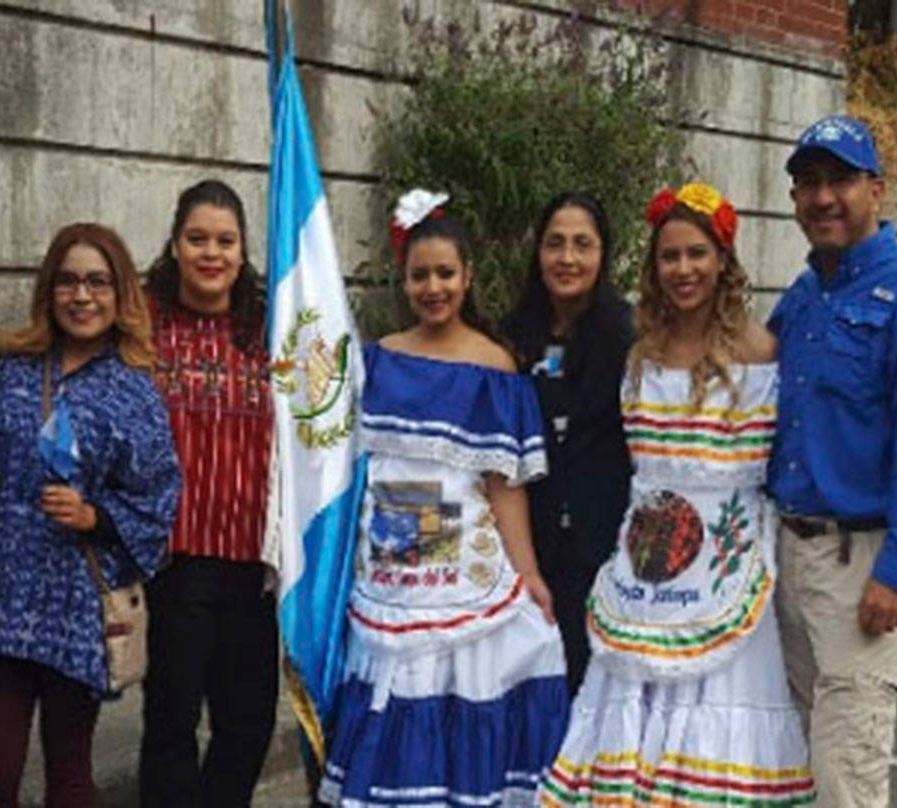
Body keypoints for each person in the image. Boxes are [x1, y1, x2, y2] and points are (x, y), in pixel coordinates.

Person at [539, 182, 816, 805]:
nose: (683, 269)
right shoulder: (638, 355)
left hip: (726, 565)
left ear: (723, 260)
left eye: (697, 254)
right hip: (643, 569)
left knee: (713, 733)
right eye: (670, 257)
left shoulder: (761, 350)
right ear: (653, 266)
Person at [318, 195, 567, 807]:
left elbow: (503, 485)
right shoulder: (375, 360)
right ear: (403, 279)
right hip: (389, 575)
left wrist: (529, 572)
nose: (434, 287)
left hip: (464, 576)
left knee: (461, 695)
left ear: (468, 277)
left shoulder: (495, 365)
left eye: (445, 274)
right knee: (395, 693)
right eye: (420, 275)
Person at [768, 115, 897, 807]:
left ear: (876, 189)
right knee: (793, 762)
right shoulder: (803, 297)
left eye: (840, 181)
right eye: (808, 184)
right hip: (787, 556)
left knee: (845, 776)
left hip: (863, 564)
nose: (823, 198)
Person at [0, 223, 180, 807]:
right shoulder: (12, 370)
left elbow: (159, 501)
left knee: (71, 778)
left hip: (75, 613)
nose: (82, 296)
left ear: (120, 293)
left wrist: (94, 516)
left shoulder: (135, 392)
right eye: (69, 281)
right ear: (49, 290)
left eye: (98, 282)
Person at [138, 179, 278, 808]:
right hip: (173, 560)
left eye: (225, 241)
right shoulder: (139, 323)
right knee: (170, 724)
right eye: (197, 239)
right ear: (174, 244)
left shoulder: (273, 326)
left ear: (244, 251)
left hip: (253, 563)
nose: (211, 253)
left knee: (246, 724)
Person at [502, 192, 634, 695]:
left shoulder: (628, 338)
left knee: (587, 686)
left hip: (599, 552)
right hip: (525, 548)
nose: (568, 258)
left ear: (604, 254)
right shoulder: (511, 338)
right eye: (555, 244)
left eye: (583, 244)